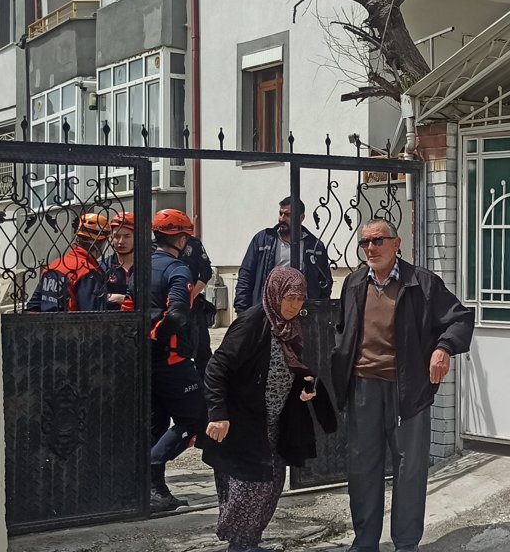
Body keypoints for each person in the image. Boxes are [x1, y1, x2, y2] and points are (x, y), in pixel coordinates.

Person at [330, 220, 474, 552]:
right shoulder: (354, 282)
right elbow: (342, 329)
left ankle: (406, 544)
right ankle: (365, 543)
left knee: (409, 469)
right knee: (362, 467)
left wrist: (443, 348)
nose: (370, 248)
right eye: (365, 242)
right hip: (363, 388)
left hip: (406, 390)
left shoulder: (422, 283)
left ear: (397, 244)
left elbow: (459, 318)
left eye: (378, 241)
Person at [202, 266, 337, 552]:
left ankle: (249, 543)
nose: (294, 305)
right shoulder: (252, 323)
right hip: (244, 422)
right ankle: (238, 543)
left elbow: (297, 367)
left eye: (300, 299)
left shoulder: (292, 327)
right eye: (289, 298)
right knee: (250, 486)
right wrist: (218, 414)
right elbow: (217, 368)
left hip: (276, 421)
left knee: (273, 485)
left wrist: (307, 384)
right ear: (275, 294)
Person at [142, 208, 209, 512]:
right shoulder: (177, 270)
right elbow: (178, 313)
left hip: (145, 360)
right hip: (172, 360)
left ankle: (151, 489)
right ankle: (152, 468)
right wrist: (159, 334)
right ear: (181, 239)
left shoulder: (142, 268)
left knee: (156, 423)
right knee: (195, 418)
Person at [235, 197, 333, 314]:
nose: (282, 218)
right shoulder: (263, 240)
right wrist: (242, 311)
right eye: (280, 213)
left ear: (301, 218)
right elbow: (246, 275)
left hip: (301, 311)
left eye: (287, 215)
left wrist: (319, 310)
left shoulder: (315, 246)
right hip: (267, 311)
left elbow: (325, 282)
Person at [26, 213, 110, 313]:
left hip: (45, 322)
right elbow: (91, 315)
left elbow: (33, 307)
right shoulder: (87, 271)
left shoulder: (54, 265)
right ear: (100, 242)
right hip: (70, 323)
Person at [180, 233, 216, 378]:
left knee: (202, 349)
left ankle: (206, 385)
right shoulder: (154, 245)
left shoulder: (193, 243)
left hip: (192, 305)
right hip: (166, 305)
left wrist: (191, 295)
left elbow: (206, 272)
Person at [103, 212, 136, 310]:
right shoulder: (103, 267)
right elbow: (93, 296)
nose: (121, 241)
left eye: (127, 236)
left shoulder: (148, 267)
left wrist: (120, 299)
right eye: (117, 236)